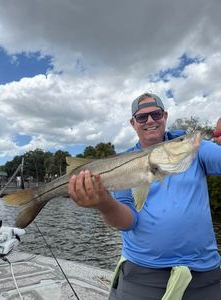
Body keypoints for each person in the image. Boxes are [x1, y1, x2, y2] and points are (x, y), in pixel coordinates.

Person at [68, 92, 221, 300]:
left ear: (165, 116)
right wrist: (104, 204)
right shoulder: (123, 163)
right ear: (133, 123)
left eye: (156, 114)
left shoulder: (196, 149)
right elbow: (128, 221)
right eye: (142, 117)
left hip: (205, 274)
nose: (150, 120)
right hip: (143, 274)